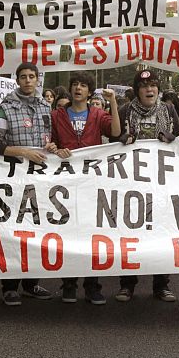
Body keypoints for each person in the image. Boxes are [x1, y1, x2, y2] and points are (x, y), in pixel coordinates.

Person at [48, 72, 120, 305]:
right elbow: (50, 142)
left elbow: (116, 133)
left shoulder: (99, 114)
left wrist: (114, 104)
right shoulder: (57, 115)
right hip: (66, 182)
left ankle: (92, 286)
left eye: (83, 85)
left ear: (90, 92)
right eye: (75, 85)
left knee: (91, 234)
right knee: (67, 234)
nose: (78, 88)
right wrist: (54, 149)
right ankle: (69, 284)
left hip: (91, 182)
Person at [0, 62, 54, 306]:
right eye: (23, 76)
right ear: (17, 80)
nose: (28, 80)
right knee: (15, 233)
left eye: (31, 76)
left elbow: (49, 138)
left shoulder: (47, 106)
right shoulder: (6, 108)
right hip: (14, 178)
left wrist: (51, 146)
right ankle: (10, 286)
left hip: (40, 179)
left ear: (38, 80)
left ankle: (31, 283)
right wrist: (23, 152)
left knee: (37, 231)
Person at [114, 69, 179, 303]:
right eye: (145, 86)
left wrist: (171, 138)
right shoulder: (124, 111)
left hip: (162, 182)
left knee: (161, 234)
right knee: (131, 235)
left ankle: (161, 285)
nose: (150, 89)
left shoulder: (169, 109)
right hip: (131, 183)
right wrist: (121, 139)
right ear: (137, 90)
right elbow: (111, 140)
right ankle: (127, 284)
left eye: (153, 85)